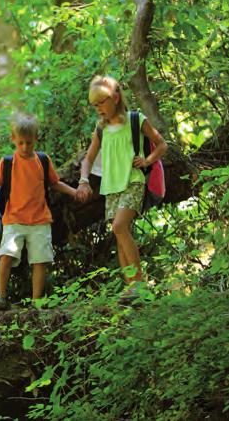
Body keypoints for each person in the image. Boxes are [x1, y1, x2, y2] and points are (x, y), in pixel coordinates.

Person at [0, 113, 77, 310]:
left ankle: (37, 302)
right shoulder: (7, 164)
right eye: (21, 143)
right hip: (13, 220)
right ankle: (1, 297)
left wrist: (75, 192)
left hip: (40, 220)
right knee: (6, 257)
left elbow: (55, 184)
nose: (25, 147)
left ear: (36, 139)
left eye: (29, 143)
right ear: (13, 139)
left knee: (39, 261)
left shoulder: (43, 160)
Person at [75, 75, 167, 302]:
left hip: (133, 182)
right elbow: (87, 159)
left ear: (115, 98)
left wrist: (147, 160)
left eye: (101, 102)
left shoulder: (136, 120)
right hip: (112, 187)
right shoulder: (101, 130)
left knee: (119, 226)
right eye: (94, 105)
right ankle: (130, 289)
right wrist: (84, 180)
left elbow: (162, 144)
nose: (98, 109)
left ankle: (139, 285)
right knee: (119, 233)